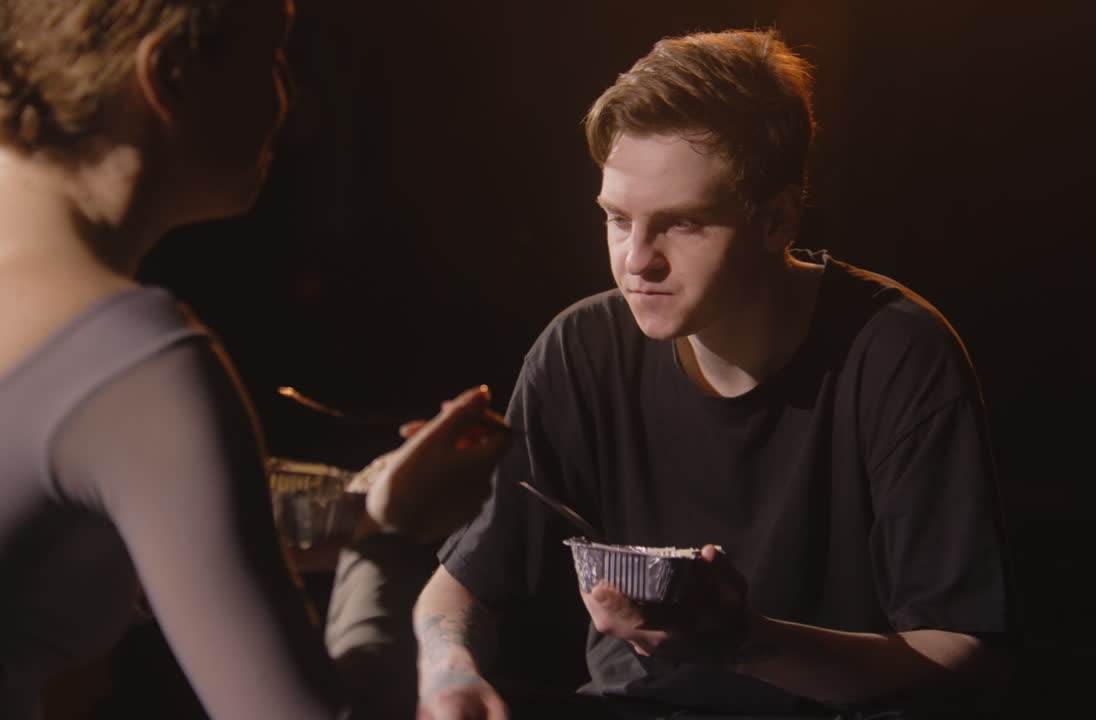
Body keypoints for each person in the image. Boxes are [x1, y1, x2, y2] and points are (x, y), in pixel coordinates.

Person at [0, 1, 510, 718]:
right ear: (168, 73)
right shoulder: (137, 359)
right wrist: (389, 536)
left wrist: (356, 507)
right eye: (272, 60)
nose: (290, 100)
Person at [414, 29, 1014, 720]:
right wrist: (445, 675)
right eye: (616, 219)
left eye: (681, 225)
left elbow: (969, 658)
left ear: (778, 219)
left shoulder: (896, 353)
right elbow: (460, 586)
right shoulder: (582, 347)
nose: (636, 260)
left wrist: (743, 643)